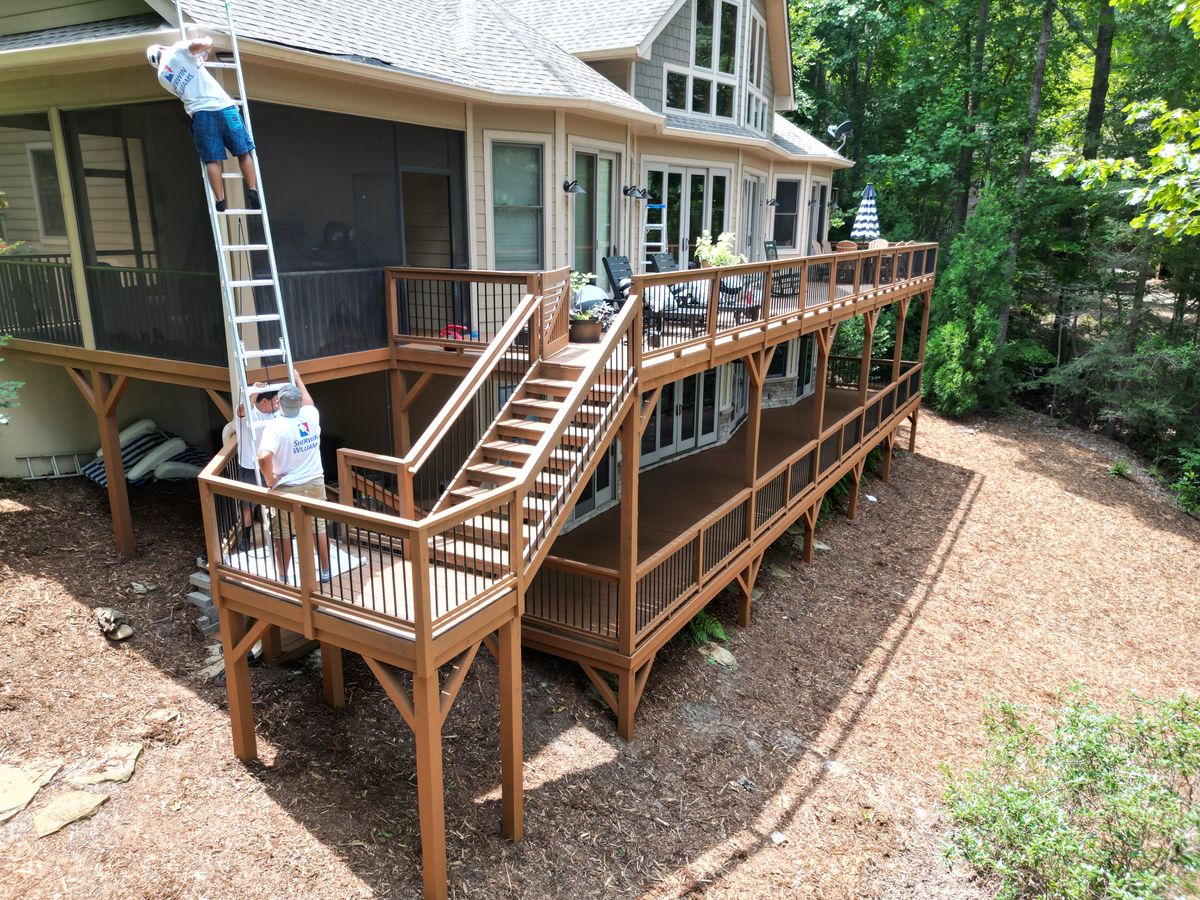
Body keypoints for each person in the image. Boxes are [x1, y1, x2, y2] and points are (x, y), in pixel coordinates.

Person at [146, 36, 259, 212]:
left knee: (212, 160)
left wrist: (201, 55)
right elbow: (203, 46)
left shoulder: (162, 77)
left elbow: (195, 65)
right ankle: (252, 190)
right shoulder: (176, 50)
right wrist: (206, 39)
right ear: (161, 48)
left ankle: (220, 200)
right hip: (224, 107)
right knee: (243, 151)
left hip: (201, 115)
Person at [256, 374, 331, 583]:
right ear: (298, 403)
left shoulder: (275, 426)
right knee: (319, 526)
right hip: (315, 482)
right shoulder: (311, 415)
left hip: (287, 487)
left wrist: (270, 480)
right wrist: (298, 378)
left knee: (283, 533)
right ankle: (325, 571)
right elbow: (308, 400)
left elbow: (263, 458)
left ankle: (283, 576)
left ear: (278, 403)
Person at [233, 383, 278, 552]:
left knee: (276, 500)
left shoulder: (276, 413)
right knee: (248, 505)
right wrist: (255, 391)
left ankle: (281, 534)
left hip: (271, 464)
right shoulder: (248, 412)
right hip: (249, 465)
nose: (277, 404)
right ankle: (246, 537)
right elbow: (242, 411)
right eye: (274, 401)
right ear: (264, 401)